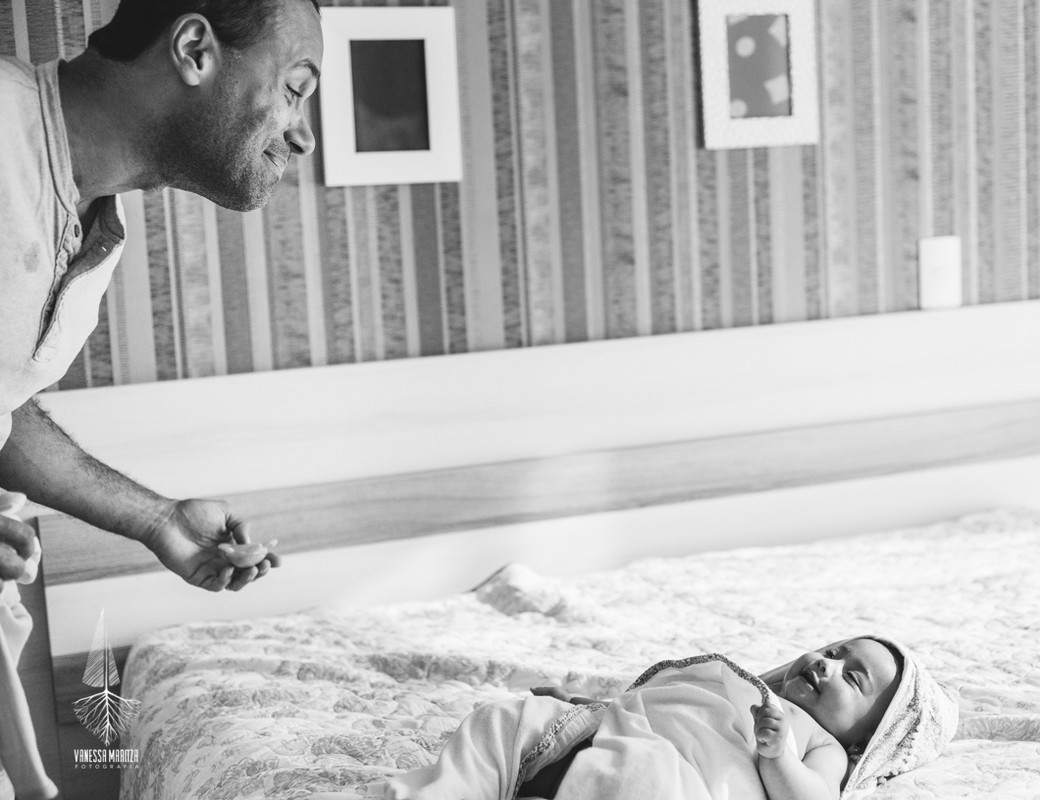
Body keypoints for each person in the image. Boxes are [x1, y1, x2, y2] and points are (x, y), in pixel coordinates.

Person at [0, 1, 323, 797]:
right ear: (194, 48)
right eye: (294, 89)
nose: (303, 135)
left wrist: (156, 520)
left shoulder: (95, 229)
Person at [383, 636, 958, 800]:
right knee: (503, 719)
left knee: (647, 776)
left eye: (853, 678)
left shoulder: (822, 745)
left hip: (672, 775)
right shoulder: (742, 684)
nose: (828, 666)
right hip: (599, 734)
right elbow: (651, 703)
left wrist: (777, 756)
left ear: (867, 739)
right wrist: (575, 709)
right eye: (834, 651)